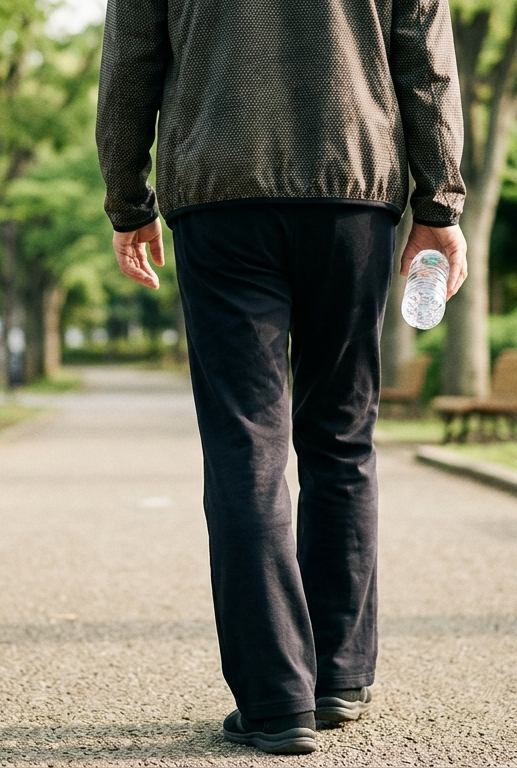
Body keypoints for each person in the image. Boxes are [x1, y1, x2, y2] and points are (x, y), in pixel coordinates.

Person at [96, 0, 468, 755]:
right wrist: (440, 201)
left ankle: (275, 701)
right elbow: (425, 57)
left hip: (220, 191)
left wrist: (128, 201)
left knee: (245, 443)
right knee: (342, 436)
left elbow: (130, 59)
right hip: (352, 186)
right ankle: (338, 675)